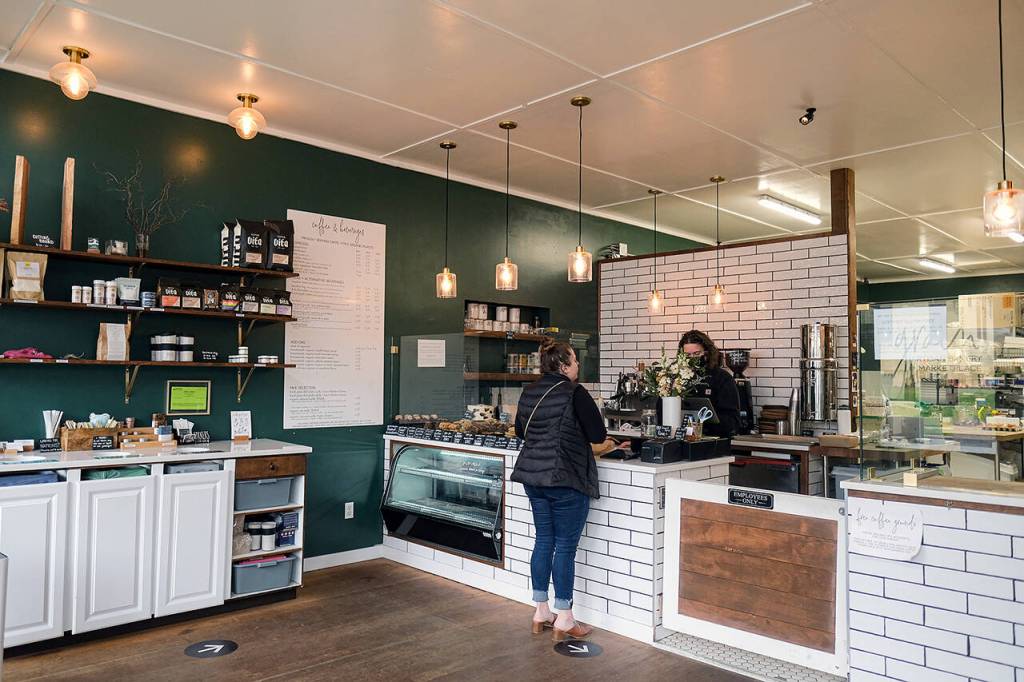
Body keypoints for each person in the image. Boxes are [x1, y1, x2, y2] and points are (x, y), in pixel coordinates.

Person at [511, 338, 606, 641]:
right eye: (575, 360)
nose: (578, 365)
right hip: (565, 478)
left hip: (533, 477)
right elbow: (598, 434)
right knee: (564, 546)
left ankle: (541, 612)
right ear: (564, 364)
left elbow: (520, 431)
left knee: (544, 541)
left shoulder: (529, 391)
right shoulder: (574, 392)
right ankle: (564, 618)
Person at [678, 330, 741, 438]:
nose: (692, 358)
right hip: (680, 438)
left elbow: (733, 422)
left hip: (714, 441)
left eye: (697, 354)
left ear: (707, 353)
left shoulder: (722, 378)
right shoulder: (676, 378)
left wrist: (705, 421)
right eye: (687, 355)